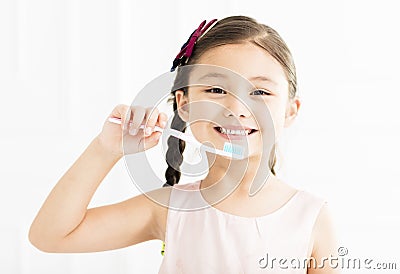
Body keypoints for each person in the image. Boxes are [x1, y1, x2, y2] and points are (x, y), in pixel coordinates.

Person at [29, 15, 339, 273]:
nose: (237, 108)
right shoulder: (168, 208)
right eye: (217, 89)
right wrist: (106, 149)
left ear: (290, 110)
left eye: (260, 93)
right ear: (185, 104)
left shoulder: (311, 217)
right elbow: (51, 236)